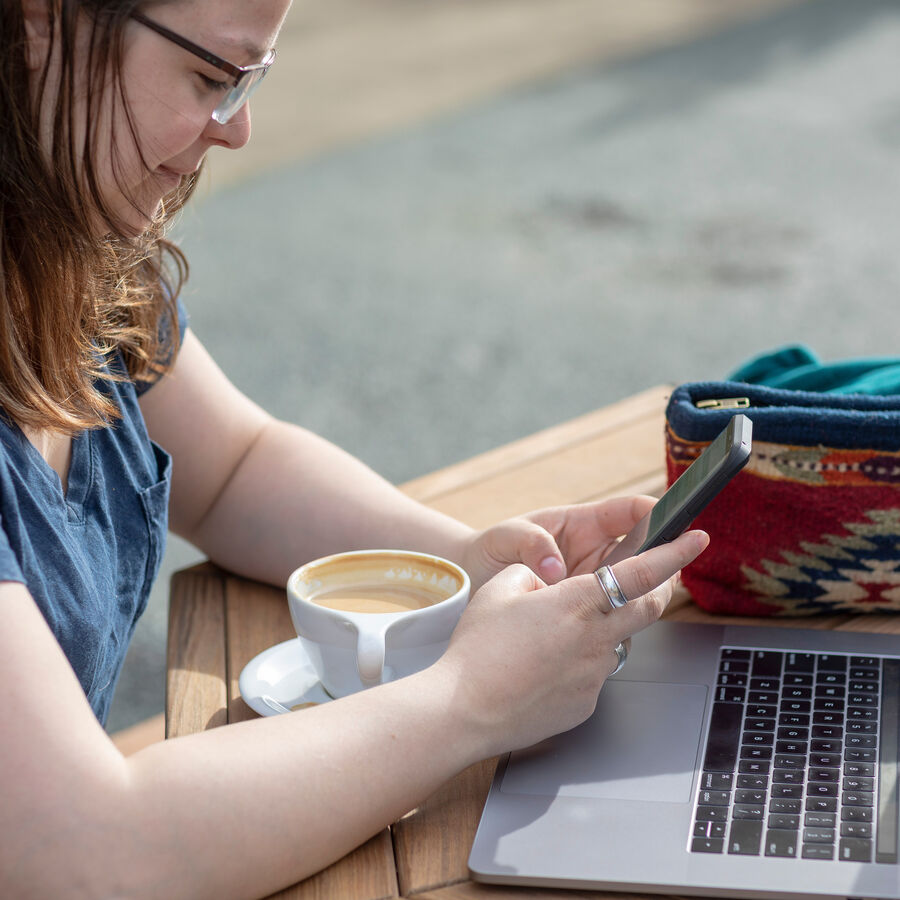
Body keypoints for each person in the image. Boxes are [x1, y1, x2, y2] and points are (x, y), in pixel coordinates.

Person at [0, 1, 709, 896]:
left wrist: (466, 562)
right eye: (213, 78)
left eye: (251, 82)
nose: (240, 129)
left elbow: (235, 468)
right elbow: (84, 856)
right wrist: (472, 700)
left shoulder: (72, 252)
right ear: (39, 24)